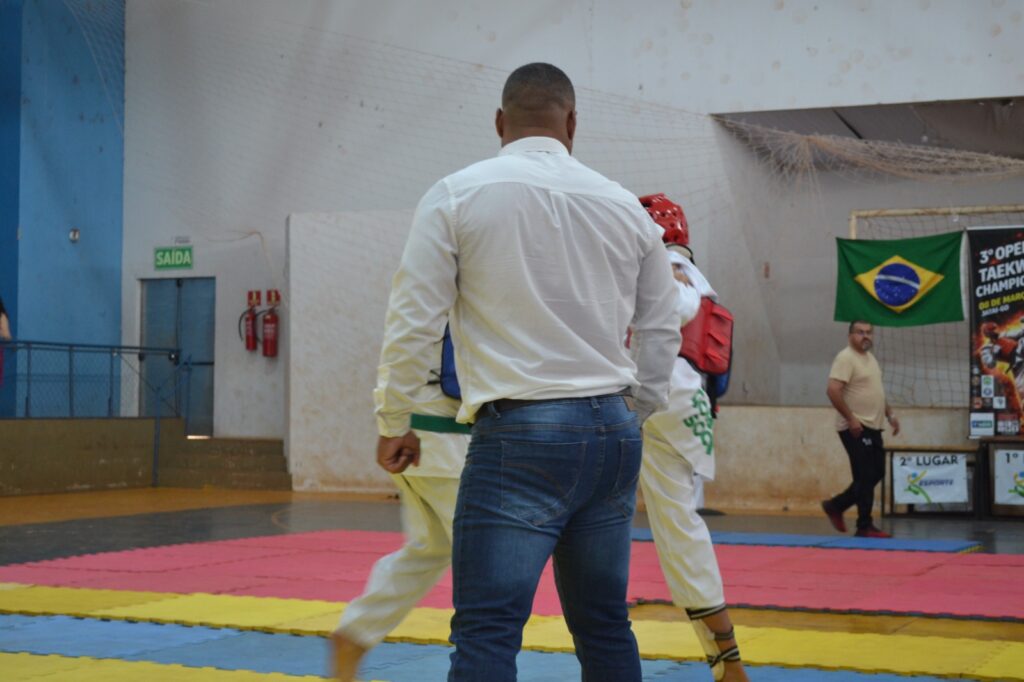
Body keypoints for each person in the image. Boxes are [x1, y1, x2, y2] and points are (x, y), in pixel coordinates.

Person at [373, 63, 680, 681]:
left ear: (499, 122)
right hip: (613, 433)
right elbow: (662, 327)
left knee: (488, 630)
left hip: (520, 436)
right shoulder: (625, 206)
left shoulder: (456, 194)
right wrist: (636, 411)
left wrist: (393, 418)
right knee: (604, 623)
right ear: (573, 123)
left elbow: (413, 322)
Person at [638, 195, 749, 682]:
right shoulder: (696, 276)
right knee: (681, 526)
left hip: (656, 395)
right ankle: (726, 659)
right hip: (689, 401)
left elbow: (673, 305)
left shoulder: (664, 267)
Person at [331, 339, 469, 681]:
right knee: (489, 568)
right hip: (443, 435)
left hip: (426, 433)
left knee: (429, 549)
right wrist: (391, 424)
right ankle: (479, 668)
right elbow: (406, 338)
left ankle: (356, 633)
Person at [821, 320, 900, 538]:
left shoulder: (870, 359)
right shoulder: (846, 358)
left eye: (869, 332)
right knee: (865, 475)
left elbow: (877, 392)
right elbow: (833, 390)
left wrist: (890, 414)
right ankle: (861, 523)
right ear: (850, 336)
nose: (865, 336)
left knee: (876, 473)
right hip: (855, 427)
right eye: (860, 332)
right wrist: (851, 419)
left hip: (874, 426)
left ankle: (838, 507)